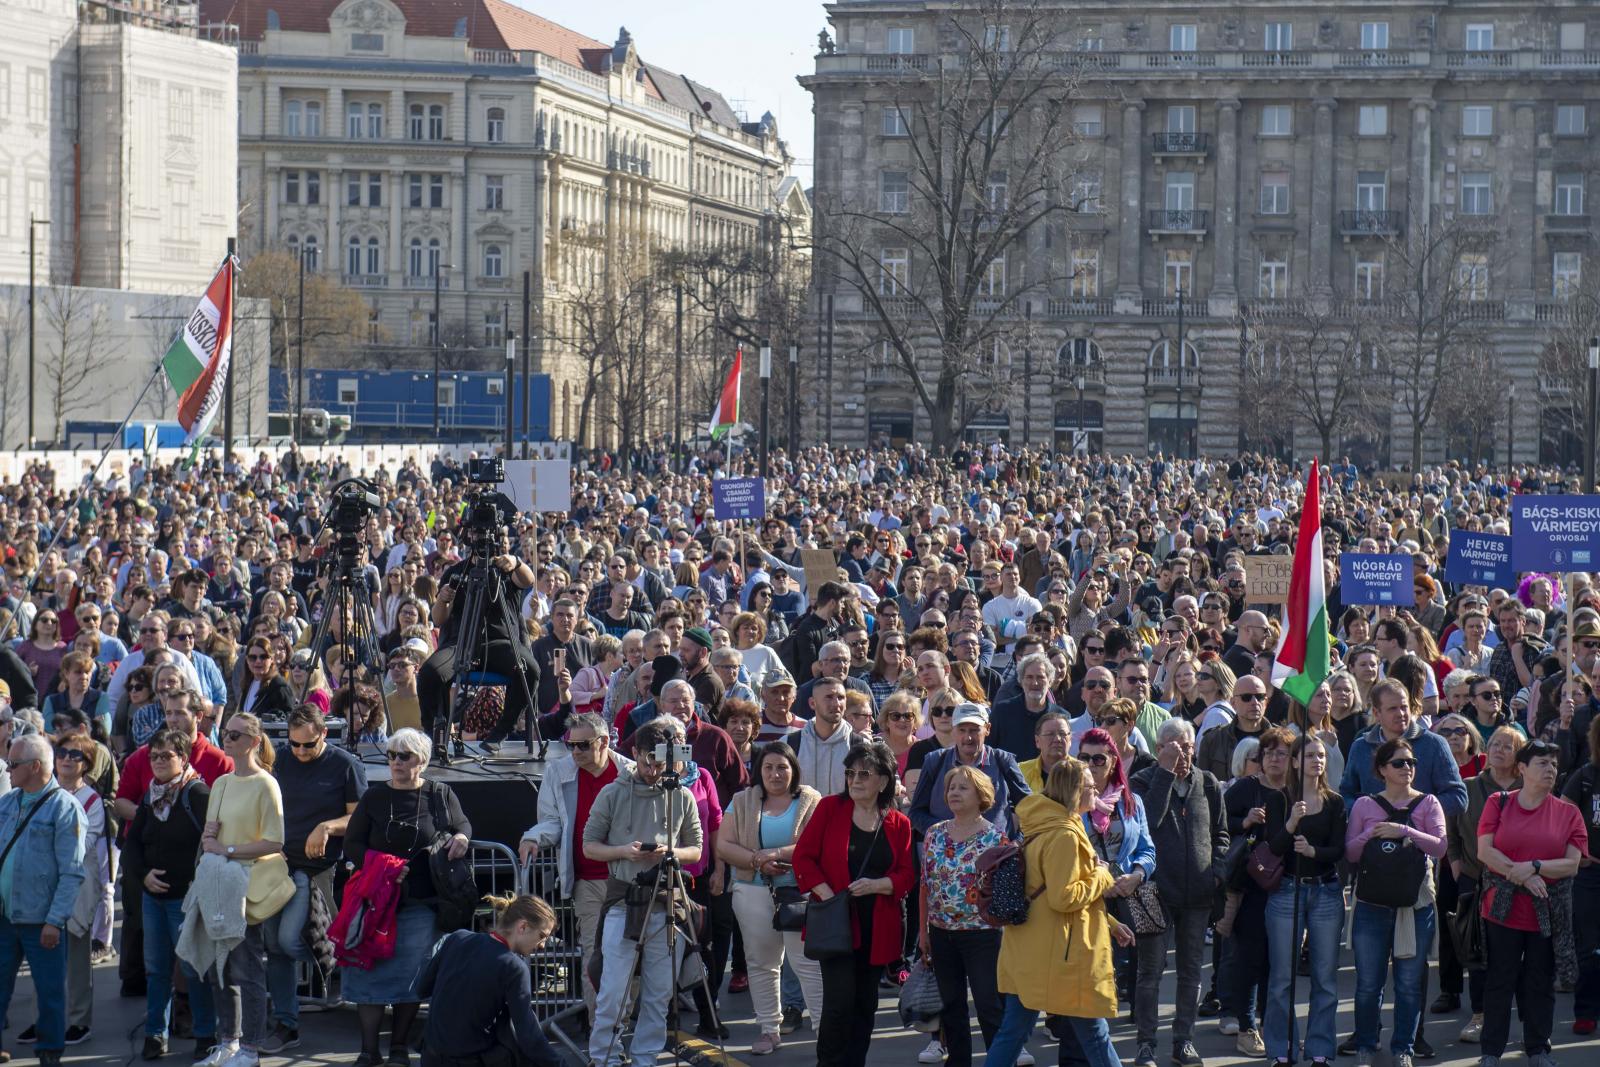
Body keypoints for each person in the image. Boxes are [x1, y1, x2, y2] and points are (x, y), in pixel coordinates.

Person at [986, 757, 1132, 1067]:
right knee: (1094, 1033)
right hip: (1061, 955)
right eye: (1092, 787)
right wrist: (1103, 876)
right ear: (1077, 791)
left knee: (1014, 1032)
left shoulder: (1045, 823)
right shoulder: (1064, 834)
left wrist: (1110, 921)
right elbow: (1065, 898)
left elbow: (1052, 892)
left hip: (1033, 950)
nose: (1097, 792)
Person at [343, 728, 472, 1067]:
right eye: (391, 756)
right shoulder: (373, 797)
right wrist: (382, 867)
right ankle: (369, 1051)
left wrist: (461, 837)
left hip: (421, 903)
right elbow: (352, 844)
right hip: (375, 903)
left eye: (404, 756)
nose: (396, 763)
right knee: (367, 974)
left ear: (423, 761)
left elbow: (463, 825)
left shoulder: (439, 794)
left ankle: (399, 1047)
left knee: (411, 976)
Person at [583, 717, 703, 1067]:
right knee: (614, 990)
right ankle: (603, 1056)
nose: (653, 770)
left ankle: (645, 1057)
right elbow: (590, 845)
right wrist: (625, 851)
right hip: (625, 898)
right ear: (634, 753)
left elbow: (695, 849)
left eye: (661, 762)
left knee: (659, 992)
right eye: (647, 761)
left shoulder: (681, 795)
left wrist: (670, 853)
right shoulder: (613, 792)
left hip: (667, 901)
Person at [792, 738, 913, 1067]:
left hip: (877, 927)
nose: (855, 780)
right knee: (838, 1003)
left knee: (865, 1004)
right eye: (851, 773)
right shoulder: (830, 808)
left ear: (883, 781)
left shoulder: (898, 823)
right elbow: (804, 858)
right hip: (837, 925)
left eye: (865, 773)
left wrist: (878, 885)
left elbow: (906, 875)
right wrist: (830, 895)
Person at [1476, 738, 1586, 1067]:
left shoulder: (1568, 813)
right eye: (1542, 762)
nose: (1550, 769)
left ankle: (1537, 1048)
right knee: (1500, 981)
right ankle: (1490, 1052)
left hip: (1547, 914)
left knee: (1540, 981)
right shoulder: (1499, 802)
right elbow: (1485, 852)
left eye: (1554, 763)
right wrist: (1523, 875)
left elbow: (1572, 863)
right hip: (1502, 911)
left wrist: (1534, 867)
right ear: (1522, 768)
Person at [518, 711, 633, 1024]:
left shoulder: (630, 772)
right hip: (588, 881)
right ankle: (603, 1032)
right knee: (595, 958)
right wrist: (534, 838)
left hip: (631, 879)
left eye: (583, 745)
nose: (576, 752)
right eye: (571, 745)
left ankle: (623, 1023)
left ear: (605, 742)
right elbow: (553, 821)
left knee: (634, 956)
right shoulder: (559, 772)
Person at [264, 707, 367, 1052]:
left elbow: (358, 818)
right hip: (276, 864)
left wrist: (326, 827)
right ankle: (286, 1023)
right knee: (275, 947)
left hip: (315, 868)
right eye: (294, 744)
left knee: (288, 940)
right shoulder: (280, 760)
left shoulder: (345, 764)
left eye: (308, 745)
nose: (300, 751)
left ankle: (336, 960)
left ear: (323, 734)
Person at [195, 711, 293, 1067]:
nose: (228, 739)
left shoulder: (266, 784)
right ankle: (229, 1041)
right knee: (218, 967)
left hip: (245, 886)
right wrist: (211, 839)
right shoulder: (221, 782)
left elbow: (274, 840)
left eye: (235, 735)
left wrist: (228, 849)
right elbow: (212, 831)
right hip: (220, 882)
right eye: (226, 733)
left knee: (247, 967)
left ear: (253, 741)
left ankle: (250, 1047)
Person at [1130, 717, 1228, 1067]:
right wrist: (1166, 773)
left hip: (1198, 893)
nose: (1183, 753)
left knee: (1191, 972)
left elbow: (1221, 834)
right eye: (1174, 747)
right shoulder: (1142, 782)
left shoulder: (1209, 783)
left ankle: (1183, 1040)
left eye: (1187, 746)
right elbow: (1147, 823)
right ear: (1159, 750)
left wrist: (1216, 872)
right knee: (1150, 972)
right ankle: (1146, 1044)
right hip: (1155, 892)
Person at [1345, 737, 1448, 1067]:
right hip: (1372, 903)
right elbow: (1350, 852)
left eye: (1412, 762)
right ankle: (1366, 1043)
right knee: (1368, 984)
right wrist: (1374, 833)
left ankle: (1403, 1047)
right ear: (1381, 770)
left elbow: (1440, 847)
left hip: (1414, 905)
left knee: (1408, 984)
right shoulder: (1364, 804)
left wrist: (1405, 831)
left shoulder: (1429, 802)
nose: (1408, 768)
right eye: (1399, 763)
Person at [716, 741, 824, 1055]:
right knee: (761, 963)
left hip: (799, 893)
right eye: (768, 767)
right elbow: (724, 844)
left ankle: (823, 1029)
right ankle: (768, 1029)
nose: (775, 774)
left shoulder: (810, 799)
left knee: (807, 963)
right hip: (753, 890)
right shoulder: (742, 799)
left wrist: (775, 853)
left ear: (793, 769)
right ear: (758, 771)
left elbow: (814, 843)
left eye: (782, 767)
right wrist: (757, 861)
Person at [123, 728, 217, 1062]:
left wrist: (196, 885)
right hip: (154, 898)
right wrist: (143, 875)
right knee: (157, 969)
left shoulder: (198, 794)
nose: (160, 761)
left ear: (183, 758)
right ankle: (155, 1034)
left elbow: (213, 849)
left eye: (167, 755)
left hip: (187, 900)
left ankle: (206, 1034)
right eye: (155, 756)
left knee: (194, 969)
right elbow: (133, 844)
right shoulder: (151, 795)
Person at [0, 733, 86, 1066]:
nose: (8, 770)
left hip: (41, 921)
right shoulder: (8, 803)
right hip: (6, 916)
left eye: (13, 764)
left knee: (49, 992)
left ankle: (50, 1051)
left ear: (35, 767)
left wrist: (55, 920)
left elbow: (72, 872)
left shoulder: (65, 809)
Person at [1263, 733, 1347, 1067]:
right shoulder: (1280, 801)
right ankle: (1281, 1048)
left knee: (1324, 978)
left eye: (1321, 756)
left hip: (1326, 891)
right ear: (1295, 761)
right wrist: (1292, 821)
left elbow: (1339, 851)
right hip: (1287, 890)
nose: (1316, 761)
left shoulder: (1335, 802)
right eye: (1309, 755)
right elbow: (1275, 846)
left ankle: (1319, 1049)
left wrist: (1314, 851)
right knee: (1282, 977)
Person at [917, 765, 1008, 1067]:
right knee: (952, 1007)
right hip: (941, 933)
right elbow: (925, 885)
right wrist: (923, 932)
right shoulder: (934, 834)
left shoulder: (996, 839)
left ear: (981, 794)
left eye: (962, 787)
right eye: (951, 787)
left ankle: (999, 1060)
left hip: (982, 935)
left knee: (988, 1005)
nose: (954, 792)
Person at [415, 893, 562, 1067]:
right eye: (541, 936)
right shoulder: (513, 967)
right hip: (469, 1060)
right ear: (522, 927)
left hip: (430, 1057)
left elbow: (421, 989)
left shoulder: (457, 938)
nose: (543, 945)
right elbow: (528, 1035)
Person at [1218, 726, 1295, 1057]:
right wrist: (1245, 822)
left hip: (1288, 885)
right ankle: (1246, 1027)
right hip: (1251, 888)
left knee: (1278, 963)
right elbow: (1219, 824)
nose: (1274, 759)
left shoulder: (1297, 792)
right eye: (1268, 753)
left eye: (1282, 753)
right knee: (1250, 958)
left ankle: (1272, 1026)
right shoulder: (1245, 789)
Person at [1447, 724, 1522, 1043]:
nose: (1499, 749)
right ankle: (1479, 1014)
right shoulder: (1470, 786)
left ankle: (1520, 1019)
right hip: (1475, 878)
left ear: (1519, 755)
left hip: (1519, 881)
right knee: (1477, 950)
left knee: (1516, 954)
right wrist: (1454, 861)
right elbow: (1453, 828)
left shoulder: (1528, 788)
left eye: (1508, 745)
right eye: (1494, 743)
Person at [1077, 726, 1156, 1006]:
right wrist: (1098, 878)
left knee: (1139, 963)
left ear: (1113, 761)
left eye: (1098, 759)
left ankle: (1135, 1017)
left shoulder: (1131, 802)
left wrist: (1137, 874)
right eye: (1084, 758)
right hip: (1090, 892)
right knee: (1090, 967)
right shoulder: (1071, 804)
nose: (1090, 765)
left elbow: (1147, 849)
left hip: (1127, 888)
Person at [908, 704, 1031, 838]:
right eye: (962, 730)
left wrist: (1017, 841)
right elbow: (916, 813)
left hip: (995, 854)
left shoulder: (1003, 761)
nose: (968, 738)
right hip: (946, 853)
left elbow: (1030, 807)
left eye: (974, 730)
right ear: (953, 730)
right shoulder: (935, 761)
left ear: (987, 729)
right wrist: (947, 832)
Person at [990, 653, 1066, 761]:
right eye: (1029, 677)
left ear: (1049, 681)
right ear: (1021, 681)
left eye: (1040, 677)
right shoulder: (1002, 711)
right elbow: (989, 751)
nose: (1035, 683)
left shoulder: (1062, 717)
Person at [230, 637, 295, 721]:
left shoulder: (279, 687)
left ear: (272, 659)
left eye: (263, 657)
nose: (258, 661)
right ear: (247, 660)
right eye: (253, 657)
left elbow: (289, 718)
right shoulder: (247, 684)